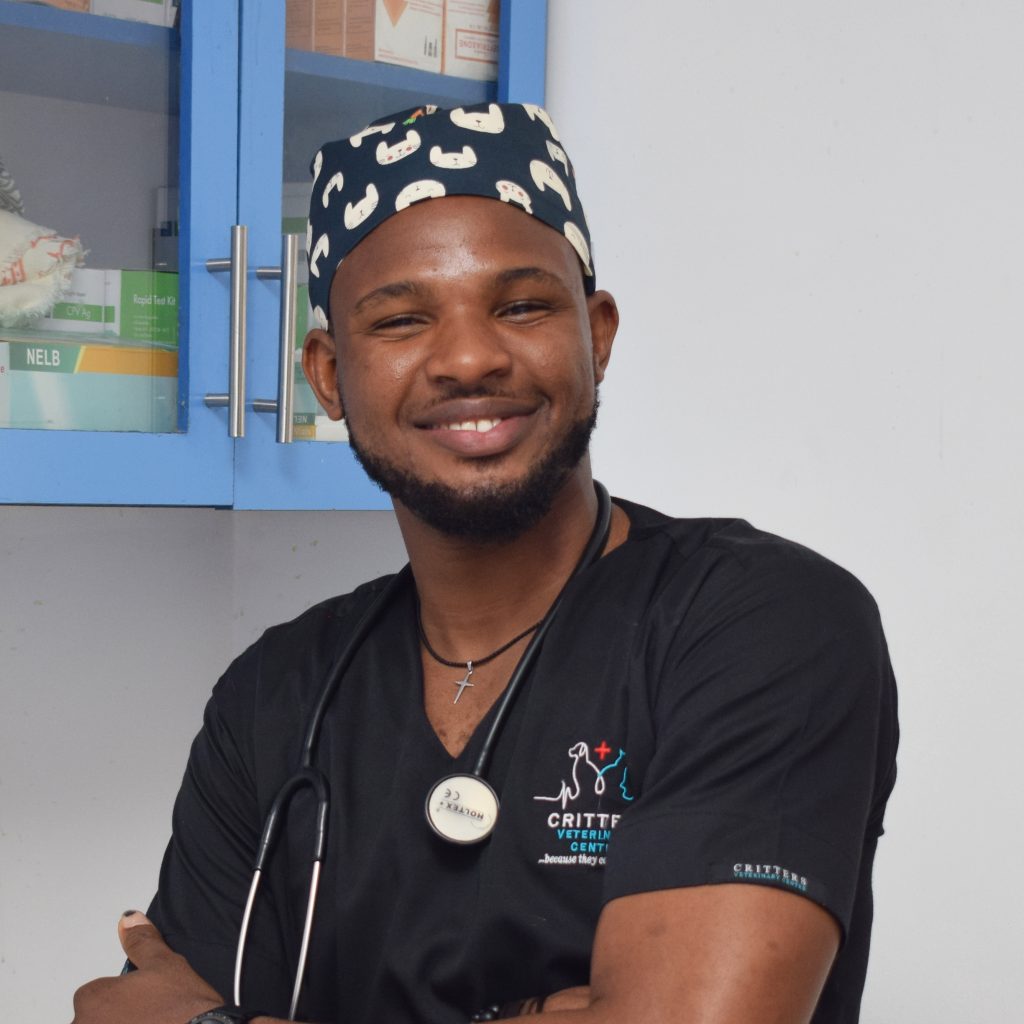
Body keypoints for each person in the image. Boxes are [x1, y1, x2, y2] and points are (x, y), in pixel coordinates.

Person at [71, 101, 898, 1024]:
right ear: (329, 376)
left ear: (598, 336)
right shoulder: (273, 695)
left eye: (522, 306)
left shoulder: (759, 623)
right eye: (400, 321)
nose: (468, 358)